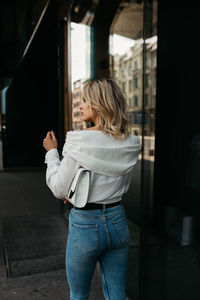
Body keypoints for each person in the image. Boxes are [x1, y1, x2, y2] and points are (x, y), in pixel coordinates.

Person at [43, 78, 140, 300]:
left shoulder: (78, 140)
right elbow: (122, 186)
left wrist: (51, 152)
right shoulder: (131, 142)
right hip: (118, 221)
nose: (81, 105)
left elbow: (59, 188)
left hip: (86, 225)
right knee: (116, 294)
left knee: (78, 295)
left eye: (86, 100)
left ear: (99, 104)